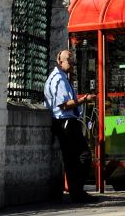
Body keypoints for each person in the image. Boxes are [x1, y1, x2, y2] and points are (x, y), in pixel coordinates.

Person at [44, 49, 97, 204]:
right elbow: (64, 105)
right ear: (60, 61)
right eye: (69, 60)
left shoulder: (63, 77)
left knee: (74, 159)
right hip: (65, 122)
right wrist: (84, 99)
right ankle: (77, 191)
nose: (72, 63)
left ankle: (77, 192)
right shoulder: (59, 80)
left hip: (68, 121)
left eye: (73, 60)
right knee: (82, 156)